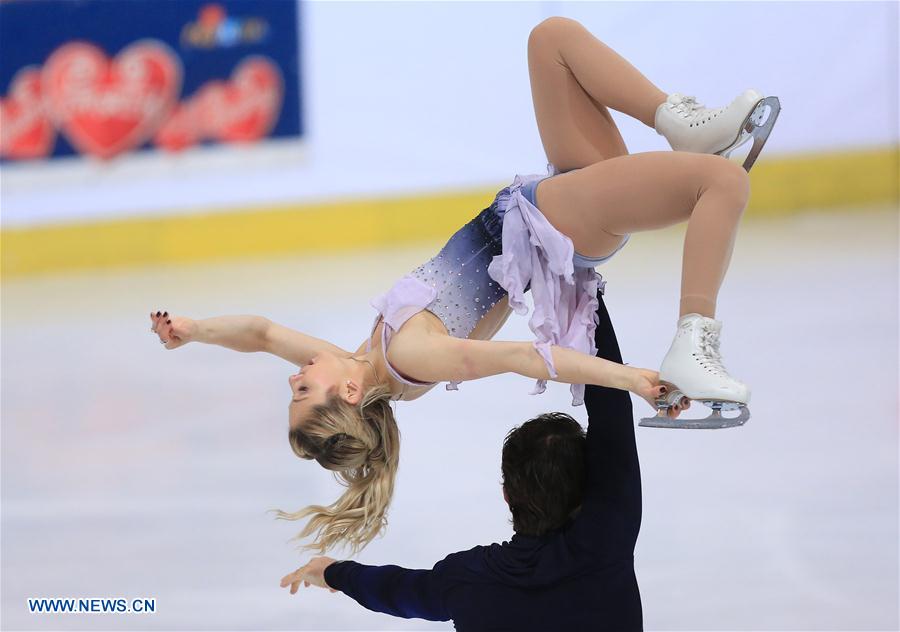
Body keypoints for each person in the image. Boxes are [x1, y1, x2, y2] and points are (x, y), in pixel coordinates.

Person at [150, 16, 775, 553]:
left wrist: (194, 331)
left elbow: (260, 334)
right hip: (557, 220)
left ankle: (681, 122)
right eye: (302, 391)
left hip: (542, 203)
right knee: (721, 184)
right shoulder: (408, 357)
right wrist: (633, 378)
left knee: (550, 40)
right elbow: (525, 357)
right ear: (344, 391)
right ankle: (694, 344)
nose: (294, 377)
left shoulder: (357, 360)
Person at [279, 289, 678, 631]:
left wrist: (333, 572)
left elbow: (397, 591)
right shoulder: (605, 535)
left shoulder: (469, 579)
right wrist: (586, 293)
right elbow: (611, 414)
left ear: (507, 495)